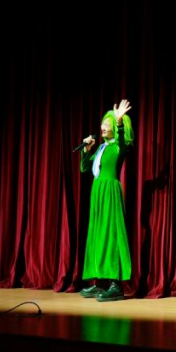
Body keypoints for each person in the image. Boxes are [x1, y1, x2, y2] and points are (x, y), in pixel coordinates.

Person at [79, 99, 134, 303]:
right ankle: (100, 281)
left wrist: (118, 122)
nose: (102, 126)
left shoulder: (119, 147)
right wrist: (86, 150)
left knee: (111, 236)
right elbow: (85, 168)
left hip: (110, 192)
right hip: (97, 193)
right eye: (103, 123)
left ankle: (115, 285)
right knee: (98, 236)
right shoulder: (101, 148)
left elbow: (122, 142)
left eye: (107, 124)